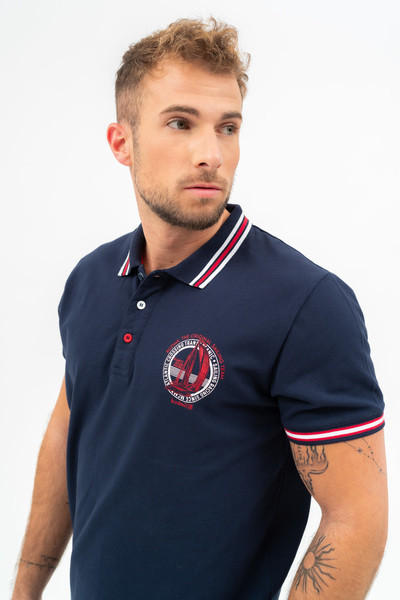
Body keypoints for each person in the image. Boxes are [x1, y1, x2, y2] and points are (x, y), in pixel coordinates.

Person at [12, 16, 387, 600]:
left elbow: (356, 518)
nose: (211, 154)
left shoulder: (306, 304)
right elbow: (67, 429)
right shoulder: (90, 279)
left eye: (227, 127)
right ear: (122, 142)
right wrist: (24, 591)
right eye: (180, 123)